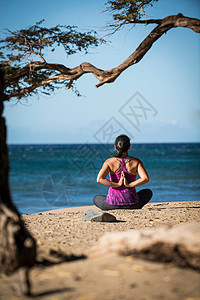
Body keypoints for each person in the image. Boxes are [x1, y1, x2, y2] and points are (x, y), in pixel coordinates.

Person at [93, 134, 153, 210]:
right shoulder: (136, 162)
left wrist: (117, 184)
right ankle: (134, 206)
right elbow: (145, 178)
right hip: (132, 203)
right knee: (148, 192)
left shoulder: (109, 162)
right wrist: (130, 185)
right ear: (129, 147)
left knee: (96, 198)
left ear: (115, 147)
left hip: (113, 204)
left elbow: (99, 179)